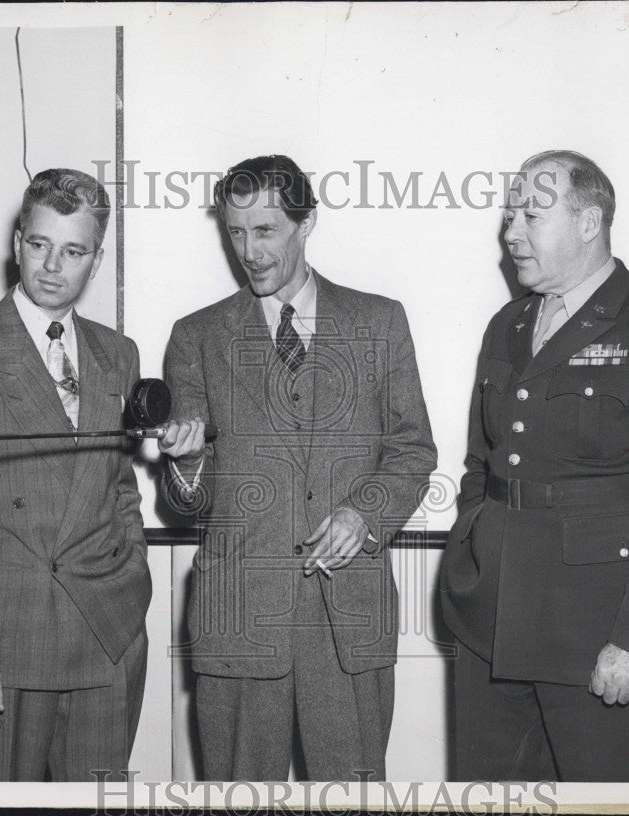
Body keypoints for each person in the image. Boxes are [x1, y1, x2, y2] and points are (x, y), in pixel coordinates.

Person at [440, 150, 629, 782]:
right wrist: (473, 543)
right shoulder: (508, 326)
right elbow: (481, 465)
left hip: (598, 633)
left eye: (532, 215)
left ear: (589, 220)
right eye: (510, 214)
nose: (510, 232)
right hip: (490, 623)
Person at [159, 155, 437, 781]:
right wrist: (189, 462)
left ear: (306, 222)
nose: (249, 251)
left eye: (266, 231)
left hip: (348, 620)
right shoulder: (196, 337)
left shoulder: (380, 321)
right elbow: (187, 505)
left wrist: (365, 514)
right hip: (239, 624)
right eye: (235, 232)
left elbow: (413, 449)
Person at [0, 169, 151, 781]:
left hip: (106, 633)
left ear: (96, 260)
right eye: (39, 245)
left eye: (73, 251)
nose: (51, 266)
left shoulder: (117, 353)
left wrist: (133, 584)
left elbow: (119, 488)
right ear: (17, 241)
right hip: (3, 644)